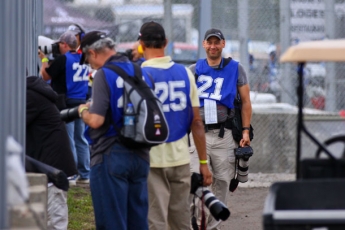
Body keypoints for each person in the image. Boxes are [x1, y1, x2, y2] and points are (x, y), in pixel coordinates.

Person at [138, 21, 212, 230]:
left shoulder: (138, 75)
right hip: (180, 158)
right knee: (180, 221)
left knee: (155, 221)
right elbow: (197, 122)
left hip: (151, 159)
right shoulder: (185, 73)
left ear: (141, 44)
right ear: (166, 42)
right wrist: (203, 163)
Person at [77, 31, 151, 230]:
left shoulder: (104, 74)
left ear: (92, 52)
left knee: (112, 222)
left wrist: (83, 110)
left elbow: (96, 120)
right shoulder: (137, 69)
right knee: (138, 222)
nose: (90, 65)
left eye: (88, 60)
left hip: (111, 154)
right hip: (140, 153)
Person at [189, 28, 252, 230]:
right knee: (196, 180)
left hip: (224, 134)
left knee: (223, 182)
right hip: (199, 134)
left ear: (223, 44)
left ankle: (213, 227)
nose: (214, 46)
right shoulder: (193, 70)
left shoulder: (236, 68)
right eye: (210, 42)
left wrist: (245, 131)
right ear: (204, 45)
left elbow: (246, 102)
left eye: (217, 42)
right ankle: (198, 224)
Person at [38, 30, 90, 186]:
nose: (58, 46)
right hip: (81, 102)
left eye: (60, 43)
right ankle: (85, 173)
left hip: (66, 102)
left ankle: (71, 174)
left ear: (65, 45)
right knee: (81, 139)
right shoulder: (83, 58)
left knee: (69, 139)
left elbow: (46, 76)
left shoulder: (63, 59)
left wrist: (45, 59)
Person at [26, 76, 77, 229]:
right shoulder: (34, 92)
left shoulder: (29, 97)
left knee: (54, 221)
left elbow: (8, 124)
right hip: (49, 163)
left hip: (52, 168)